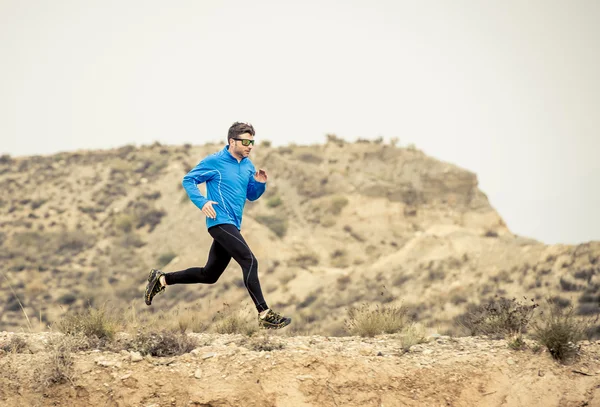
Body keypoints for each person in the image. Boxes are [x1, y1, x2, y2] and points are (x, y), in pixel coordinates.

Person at [144, 122, 291, 329]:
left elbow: (251, 195)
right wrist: (202, 202)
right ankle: (264, 313)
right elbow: (189, 180)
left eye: (252, 142)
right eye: (246, 141)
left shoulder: (248, 166)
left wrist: (259, 183)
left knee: (209, 275)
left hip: (233, 224)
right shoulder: (215, 161)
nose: (250, 146)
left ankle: (161, 280)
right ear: (232, 141)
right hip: (219, 221)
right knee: (249, 261)